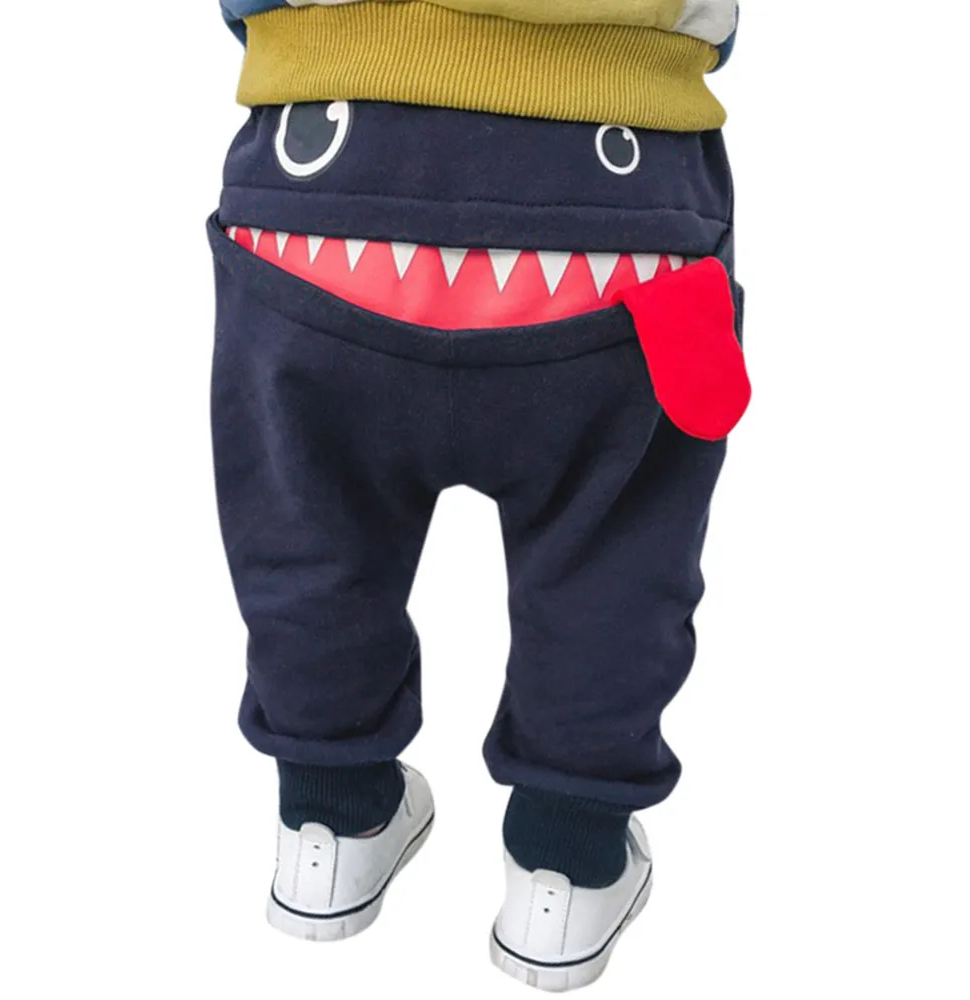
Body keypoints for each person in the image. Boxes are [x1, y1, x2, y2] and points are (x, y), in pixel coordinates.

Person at [210, 1, 745, 990]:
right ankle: (566, 867)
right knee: (614, 559)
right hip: (617, 198)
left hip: (321, 182)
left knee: (306, 529)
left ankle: (328, 823)